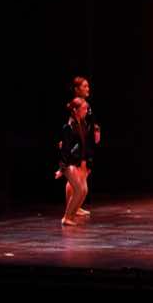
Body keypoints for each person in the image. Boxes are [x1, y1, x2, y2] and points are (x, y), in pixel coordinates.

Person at [66, 77, 100, 217]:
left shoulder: (86, 104)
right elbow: (72, 126)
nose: (87, 89)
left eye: (88, 86)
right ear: (77, 89)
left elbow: (90, 121)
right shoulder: (76, 104)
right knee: (74, 178)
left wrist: (96, 129)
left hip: (86, 142)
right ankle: (72, 206)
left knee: (83, 174)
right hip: (79, 144)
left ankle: (76, 205)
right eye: (84, 86)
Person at [58, 97, 92, 226]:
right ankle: (66, 217)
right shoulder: (68, 126)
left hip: (77, 161)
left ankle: (70, 216)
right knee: (78, 189)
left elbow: (83, 145)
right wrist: (61, 169)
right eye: (84, 109)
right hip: (68, 162)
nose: (86, 111)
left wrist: (87, 162)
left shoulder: (82, 124)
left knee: (83, 190)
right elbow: (65, 149)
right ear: (75, 110)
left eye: (86, 109)